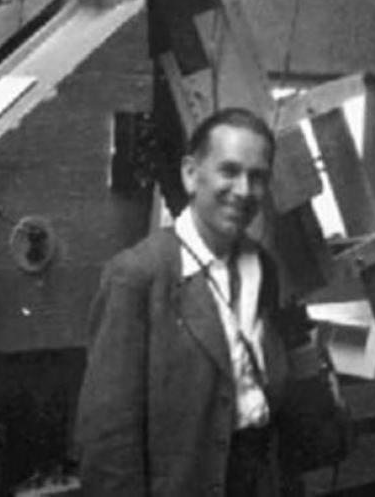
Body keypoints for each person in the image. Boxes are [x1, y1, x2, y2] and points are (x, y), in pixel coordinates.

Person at [76, 107, 309, 496]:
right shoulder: (137, 276)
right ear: (190, 174)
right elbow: (108, 441)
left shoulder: (262, 267)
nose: (243, 190)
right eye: (229, 171)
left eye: (258, 177)